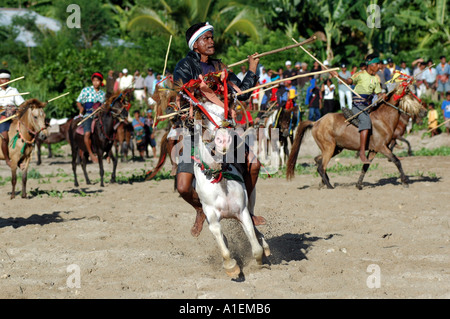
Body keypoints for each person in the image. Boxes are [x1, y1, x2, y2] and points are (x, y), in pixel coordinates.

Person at [172, 21, 264, 237]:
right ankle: (200, 209)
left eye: (212, 37)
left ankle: (247, 212)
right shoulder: (184, 66)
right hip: (197, 130)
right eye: (206, 38)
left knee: (254, 164)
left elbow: (242, 93)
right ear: (195, 45)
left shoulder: (220, 67)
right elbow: (183, 93)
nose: (211, 41)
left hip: (222, 128)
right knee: (183, 188)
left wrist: (252, 70)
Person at [332, 53, 385, 164]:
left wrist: (383, 95)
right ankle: (361, 152)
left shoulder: (375, 79)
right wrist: (338, 76)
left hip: (368, 106)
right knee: (366, 121)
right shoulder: (360, 74)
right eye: (377, 64)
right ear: (370, 65)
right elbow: (348, 81)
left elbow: (378, 93)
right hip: (357, 105)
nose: (379, 67)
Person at [76, 72, 106, 163]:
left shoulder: (103, 94)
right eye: (94, 80)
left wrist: (103, 107)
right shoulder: (86, 90)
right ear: (92, 81)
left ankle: (106, 152)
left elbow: (105, 105)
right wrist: (81, 107)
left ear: (101, 82)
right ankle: (91, 154)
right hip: (88, 115)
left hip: (99, 116)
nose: (96, 83)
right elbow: (78, 101)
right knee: (88, 133)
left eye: (98, 81)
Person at [0, 69, 25, 167]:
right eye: (3, 79)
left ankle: (22, 157)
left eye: (7, 79)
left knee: (26, 132)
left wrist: (17, 109)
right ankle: (7, 159)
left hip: (14, 116)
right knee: (5, 136)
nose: (6, 81)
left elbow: (22, 104)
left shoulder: (13, 90)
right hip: (2, 116)